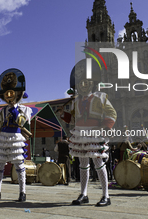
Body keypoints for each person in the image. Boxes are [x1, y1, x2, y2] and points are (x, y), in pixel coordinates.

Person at [59, 59, 117, 206]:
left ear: (92, 82)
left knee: (98, 162)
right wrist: (63, 114)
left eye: (86, 82)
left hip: (94, 133)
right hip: (80, 133)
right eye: (81, 82)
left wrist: (104, 127)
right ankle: (83, 194)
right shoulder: (76, 101)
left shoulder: (101, 97)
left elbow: (112, 113)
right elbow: (73, 119)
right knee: (82, 164)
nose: (83, 85)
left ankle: (106, 195)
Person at [0, 68, 32, 202]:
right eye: (6, 93)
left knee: (19, 165)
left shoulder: (25, 109)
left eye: (11, 93)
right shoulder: (1, 111)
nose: (8, 95)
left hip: (16, 138)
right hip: (2, 138)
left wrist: (13, 109)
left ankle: (22, 192)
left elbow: (21, 122)